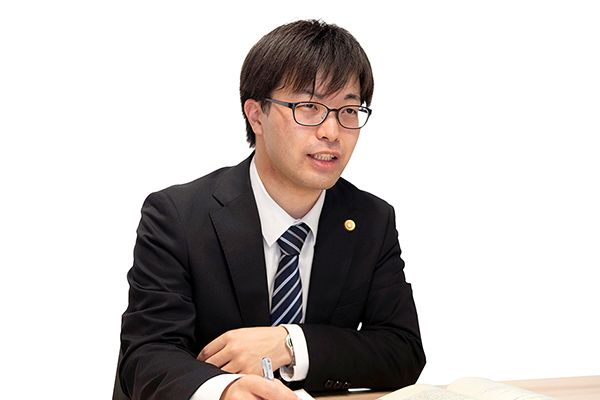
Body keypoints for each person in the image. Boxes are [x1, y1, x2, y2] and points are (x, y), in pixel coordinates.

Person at [117, 19, 426, 400]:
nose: (332, 132)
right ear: (256, 115)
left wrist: (290, 343)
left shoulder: (370, 220)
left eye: (348, 110)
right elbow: (146, 354)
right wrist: (226, 390)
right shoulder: (177, 215)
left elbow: (402, 350)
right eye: (309, 107)